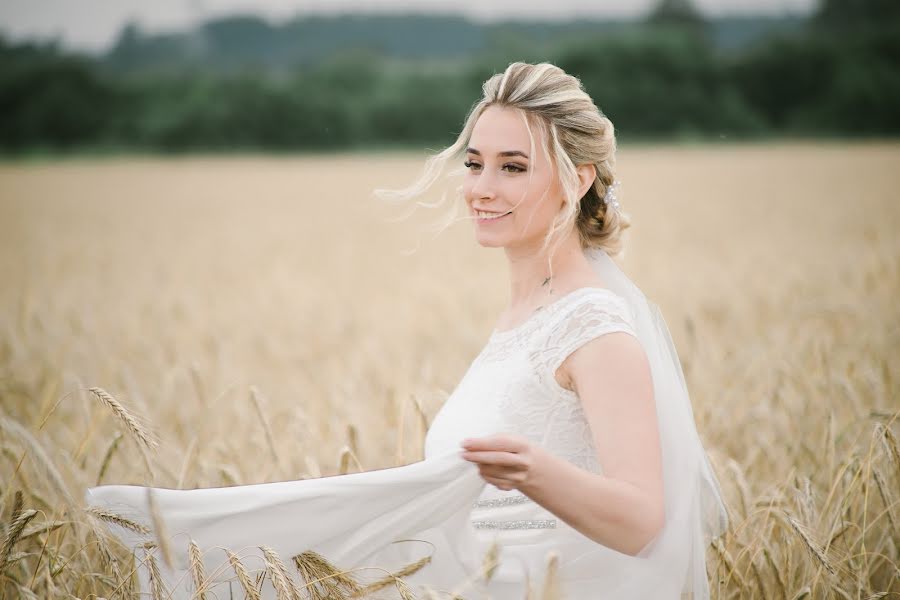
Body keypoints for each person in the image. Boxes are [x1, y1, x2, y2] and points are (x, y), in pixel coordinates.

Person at [85, 62, 729, 599]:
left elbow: (643, 521)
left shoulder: (594, 326)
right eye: (474, 163)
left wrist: (532, 470)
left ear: (576, 179)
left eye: (513, 167)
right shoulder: (526, 315)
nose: (482, 187)